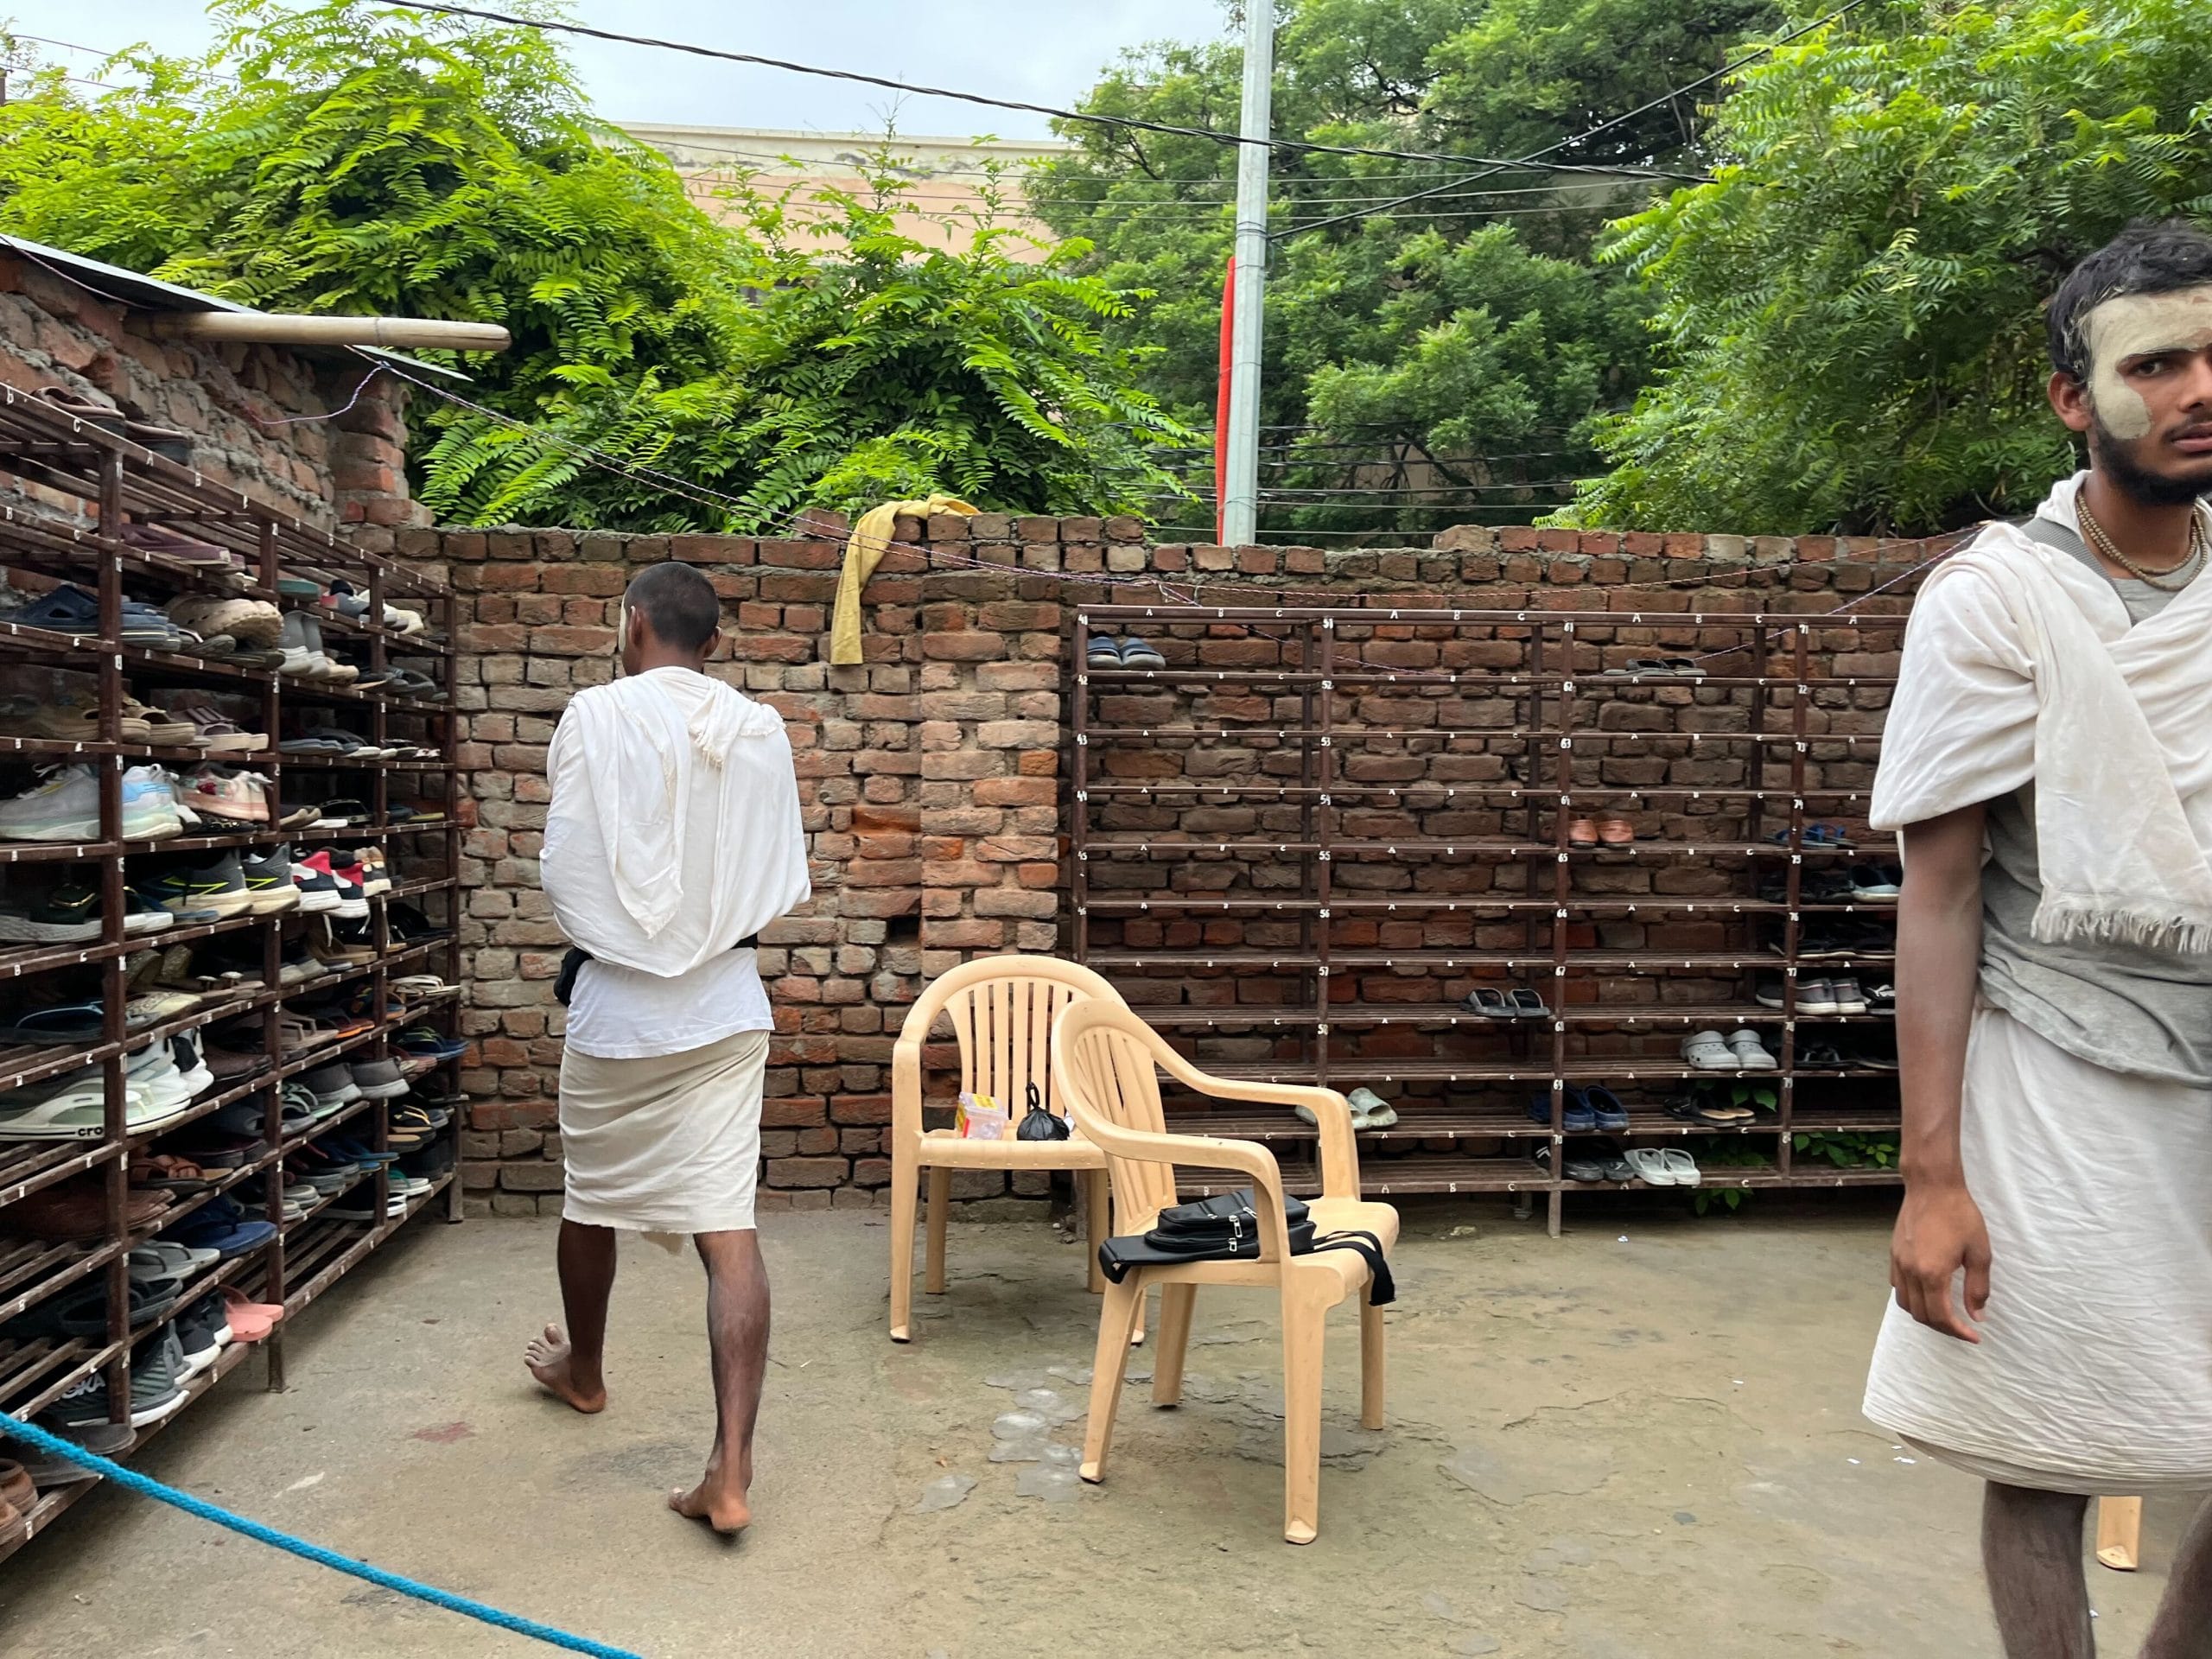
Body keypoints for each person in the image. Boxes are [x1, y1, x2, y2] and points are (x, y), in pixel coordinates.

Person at [1865, 220, 2212, 1655]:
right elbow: (1938, 897)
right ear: (2077, 397)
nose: (2199, 388)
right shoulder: (1994, 602)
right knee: (2046, 1435)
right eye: (2159, 362)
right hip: (2059, 1059)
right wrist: (1930, 1176)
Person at [525, 560, 811, 1535]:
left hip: (617, 1007)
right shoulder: (758, 726)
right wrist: (695, 934)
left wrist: (633, 937)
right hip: (727, 1001)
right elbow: (779, 869)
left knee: (589, 1196)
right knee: (726, 1225)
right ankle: (729, 1473)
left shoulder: (593, 714)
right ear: (715, 644)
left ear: (632, 621)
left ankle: (586, 1372)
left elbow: (562, 866)